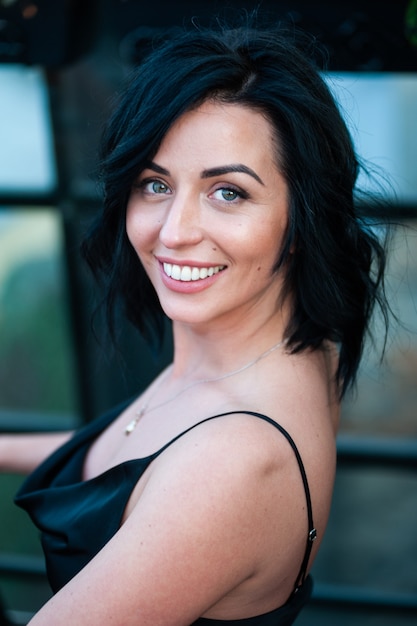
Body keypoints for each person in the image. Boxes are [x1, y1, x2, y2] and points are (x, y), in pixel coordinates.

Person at [0, 21, 389, 625]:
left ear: (303, 212)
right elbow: (135, 460)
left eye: (228, 192)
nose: (174, 231)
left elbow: (186, 479)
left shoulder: (231, 463)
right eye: (154, 183)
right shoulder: (275, 341)